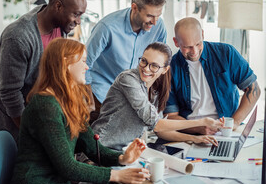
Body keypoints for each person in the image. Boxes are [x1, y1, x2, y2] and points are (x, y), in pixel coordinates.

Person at [9, 38, 148, 184]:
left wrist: (122, 158)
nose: (87, 67)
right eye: (83, 61)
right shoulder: (45, 105)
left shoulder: (69, 102)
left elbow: (92, 147)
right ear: (66, 64)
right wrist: (116, 175)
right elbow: (67, 167)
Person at [0, 0, 87, 140]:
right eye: (75, 14)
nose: (78, 21)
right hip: (14, 122)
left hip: (39, 114)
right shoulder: (18, 37)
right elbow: (10, 94)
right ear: (58, 6)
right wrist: (31, 134)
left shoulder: (60, 27)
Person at [92, 42, 224, 151]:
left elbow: (160, 131)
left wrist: (195, 139)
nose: (146, 68)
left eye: (154, 65)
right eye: (144, 61)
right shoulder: (128, 79)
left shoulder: (154, 91)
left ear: (165, 70)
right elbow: (157, 125)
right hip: (101, 149)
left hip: (124, 152)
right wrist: (202, 122)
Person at [159, 17, 260, 142]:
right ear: (176, 42)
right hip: (191, 135)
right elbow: (171, 117)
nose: (194, 51)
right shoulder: (170, 68)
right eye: (187, 47)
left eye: (198, 44)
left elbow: (254, 89)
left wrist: (235, 122)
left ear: (202, 34)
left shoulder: (226, 53)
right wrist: (198, 128)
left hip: (227, 132)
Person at [86, 0, 167, 124]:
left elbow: (160, 62)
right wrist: (88, 101)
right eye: (149, 16)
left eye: (158, 16)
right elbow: (85, 63)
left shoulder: (158, 27)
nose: (154, 22)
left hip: (134, 94)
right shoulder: (107, 28)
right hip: (102, 94)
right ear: (134, 8)